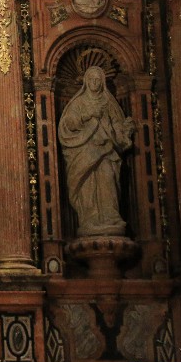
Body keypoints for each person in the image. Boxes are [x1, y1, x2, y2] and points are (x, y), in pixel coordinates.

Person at [58, 66, 135, 237]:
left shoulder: (108, 102)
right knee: (88, 185)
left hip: (106, 150)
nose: (94, 82)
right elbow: (68, 124)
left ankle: (111, 217)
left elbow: (116, 123)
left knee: (108, 178)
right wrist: (87, 115)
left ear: (102, 82)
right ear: (86, 81)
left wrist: (124, 132)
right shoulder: (79, 102)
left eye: (97, 80)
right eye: (91, 79)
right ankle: (90, 219)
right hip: (85, 151)